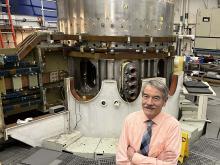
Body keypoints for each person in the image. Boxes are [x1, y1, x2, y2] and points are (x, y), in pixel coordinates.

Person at [116, 79, 182, 165]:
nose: (149, 102)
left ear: (164, 102)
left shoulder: (173, 126)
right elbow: (121, 160)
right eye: (146, 96)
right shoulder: (130, 120)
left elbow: (170, 163)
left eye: (156, 98)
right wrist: (157, 161)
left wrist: (134, 157)